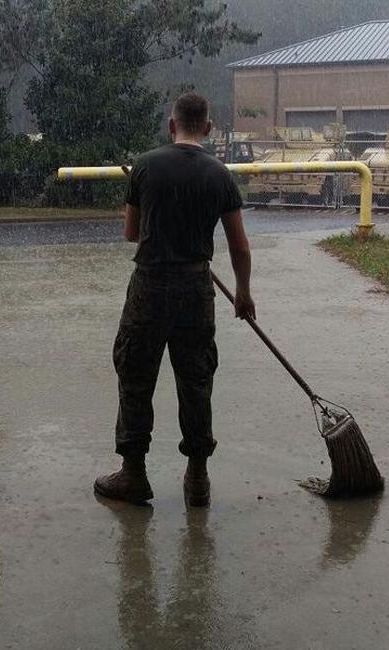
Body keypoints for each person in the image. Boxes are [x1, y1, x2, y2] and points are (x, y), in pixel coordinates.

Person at [94, 92, 255, 507]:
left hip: (149, 287)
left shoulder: (145, 166)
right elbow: (239, 246)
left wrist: (155, 219)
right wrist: (242, 292)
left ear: (171, 125)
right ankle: (197, 478)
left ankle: (133, 474)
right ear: (207, 128)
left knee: (135, 375)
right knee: (196, 381)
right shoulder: (219, 174)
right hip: (196, 288)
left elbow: (131, 234)